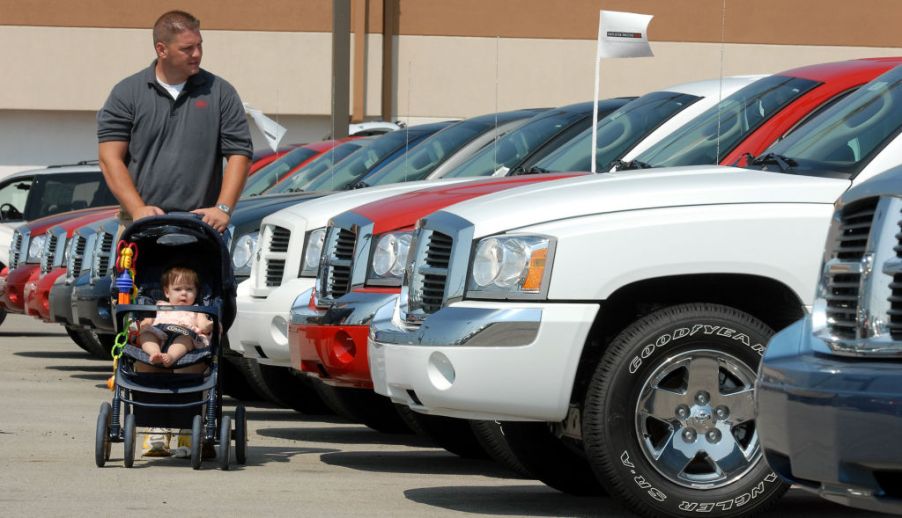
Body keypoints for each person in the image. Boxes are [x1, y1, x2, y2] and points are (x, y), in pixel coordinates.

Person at [97, 10, 253, 234]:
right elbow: (109, 158)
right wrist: (137, 209)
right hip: (140, 224)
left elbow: (240, 154)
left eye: (200, 45)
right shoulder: (127, 93)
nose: (197, 54)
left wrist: (223, 209)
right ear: (162, 49)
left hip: (200, 225)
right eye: (187, 48)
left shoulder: (220, 93)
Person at [137, 266, 212, 368]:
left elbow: (203, 325)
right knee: (146, 335)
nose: (184, 293)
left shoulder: (197, 309)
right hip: (159, 333)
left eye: (189, 289)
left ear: (196, 293)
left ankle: (170, 357)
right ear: (167, 292)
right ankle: (155, 353)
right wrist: (145, 323)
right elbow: (148, 320)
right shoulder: (159, 305)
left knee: (185, 340)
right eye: (177, 289)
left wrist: (210, 325)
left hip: (184, 334)